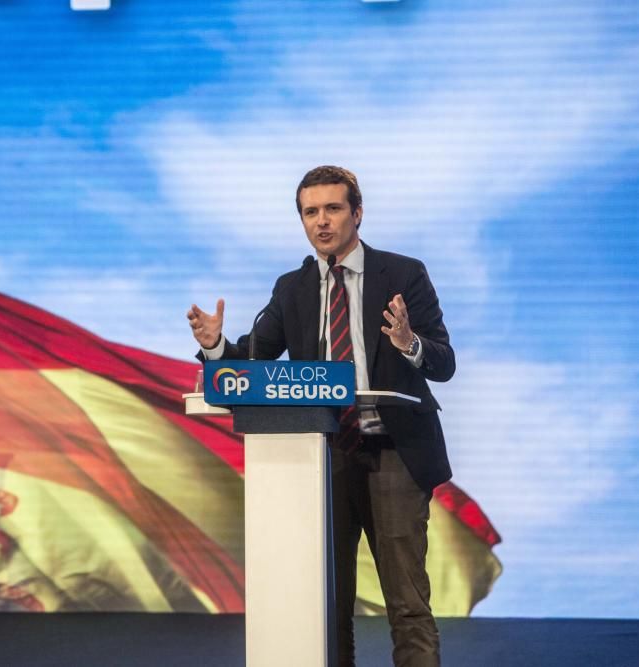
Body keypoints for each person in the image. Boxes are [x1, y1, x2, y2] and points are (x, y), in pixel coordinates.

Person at [187, 165, 454, 667]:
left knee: (407, 605)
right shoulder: (292, 288)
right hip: (321, 458)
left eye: (333, 209)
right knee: (326, 608)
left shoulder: (402, 274)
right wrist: (217, 347)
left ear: (357, 212)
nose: (322, 222)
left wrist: (409, 343)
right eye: (311, 212)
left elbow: (444, 362)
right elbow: (255, 360)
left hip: (394, 453)